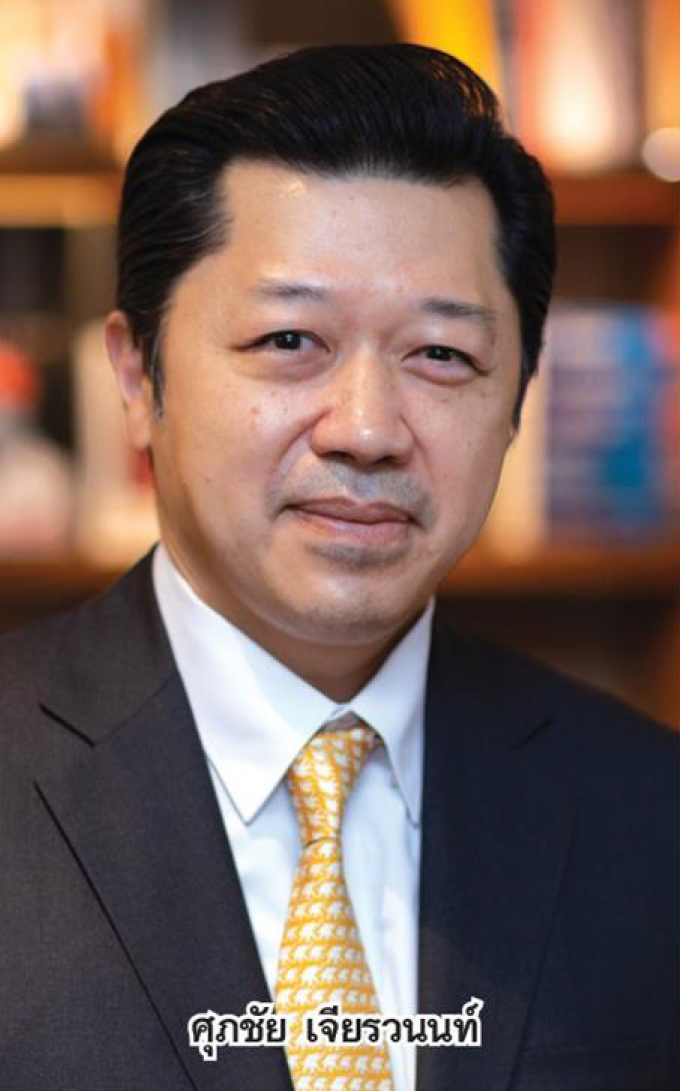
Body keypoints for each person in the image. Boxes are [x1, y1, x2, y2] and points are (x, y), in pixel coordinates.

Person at [0, 43, 677, 1091]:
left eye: (441, 355)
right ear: (138, 377)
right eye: (288, 340)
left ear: (515, 401)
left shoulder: (648, 811)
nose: (366, 430)